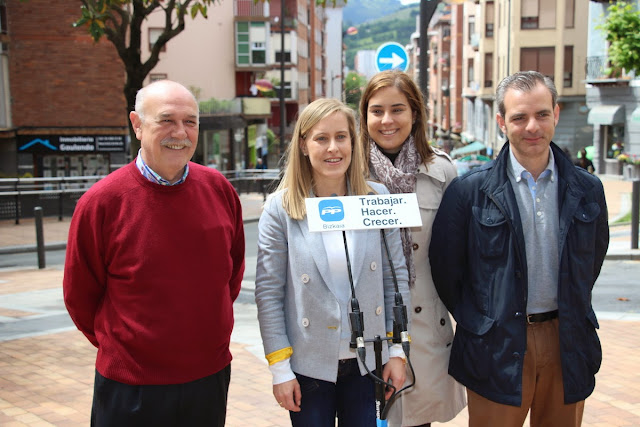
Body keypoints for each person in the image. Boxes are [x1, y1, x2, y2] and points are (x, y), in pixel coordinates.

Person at [429, 71, 610, 427]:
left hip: (567, 342)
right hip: (495, 348)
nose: (532, 126)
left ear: (556, 114)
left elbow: (593, 261)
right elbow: (447, 271)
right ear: (501, 122)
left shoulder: (588, 189)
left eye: (542, 114)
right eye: (519, 117)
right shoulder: (469, 192)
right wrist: (482, 322)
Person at [63, 80, 245, 426]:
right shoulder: (101, 203)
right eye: (166, 120)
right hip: (130, 385)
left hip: (208, 377)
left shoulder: (219, 190)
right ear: (137, 124)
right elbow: (79, 296)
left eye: (190, 121)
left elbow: (230, 276)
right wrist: (127, 349)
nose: (180, 132)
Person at [254, 97, 410, 426]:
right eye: (321, 138)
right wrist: (279, 369)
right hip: (308, 365)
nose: (332, 148)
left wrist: (397, 351)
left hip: (368, 361)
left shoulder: (376, 199)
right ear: (303, 145)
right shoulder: (280, 209)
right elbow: (269, 294)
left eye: (341, 137)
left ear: (354, 142)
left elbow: (394, 277)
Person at [359, 70, 466, 427]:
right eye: (376, 111)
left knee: (417, 422)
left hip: (422, 325)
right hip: (365, 326)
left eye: (397, 109)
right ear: (364, 116)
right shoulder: (345, 170)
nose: (387, 120)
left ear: (415, 113)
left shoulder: (442, 171)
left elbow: (459, 254)